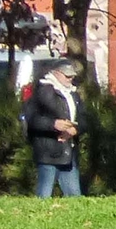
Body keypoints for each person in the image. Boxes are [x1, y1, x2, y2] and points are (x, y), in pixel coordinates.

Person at [20, 59, 85, 198]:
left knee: (75, 197)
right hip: (47, 151)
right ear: (55, 73)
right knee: (44, 194)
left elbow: (84, 118)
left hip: (68, 151)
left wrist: (75, 130)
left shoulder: (73, 94)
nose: (70, 78)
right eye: (66, 75)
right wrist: (54, 125)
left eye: (72, 75)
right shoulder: (41, 92)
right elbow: (31, 119)